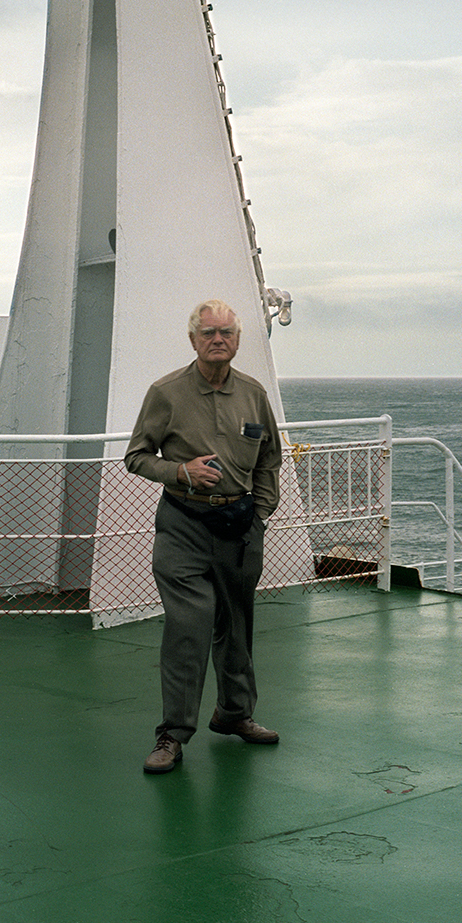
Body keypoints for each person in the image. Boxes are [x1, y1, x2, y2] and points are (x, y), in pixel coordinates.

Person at [125, 298, 283, 773]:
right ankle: (172, 735)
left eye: (227, 333)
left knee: (236, 626)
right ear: (193, 340)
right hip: (183, 527)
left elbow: (270, 458)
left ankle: (235, 714)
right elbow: (136, 456)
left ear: (238, 340)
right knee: (188, 630)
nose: (219, 340)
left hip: (240, 529)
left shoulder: (254, 394)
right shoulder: (167, 393)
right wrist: (181, 471)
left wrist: (259, 515)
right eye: (209, 333)